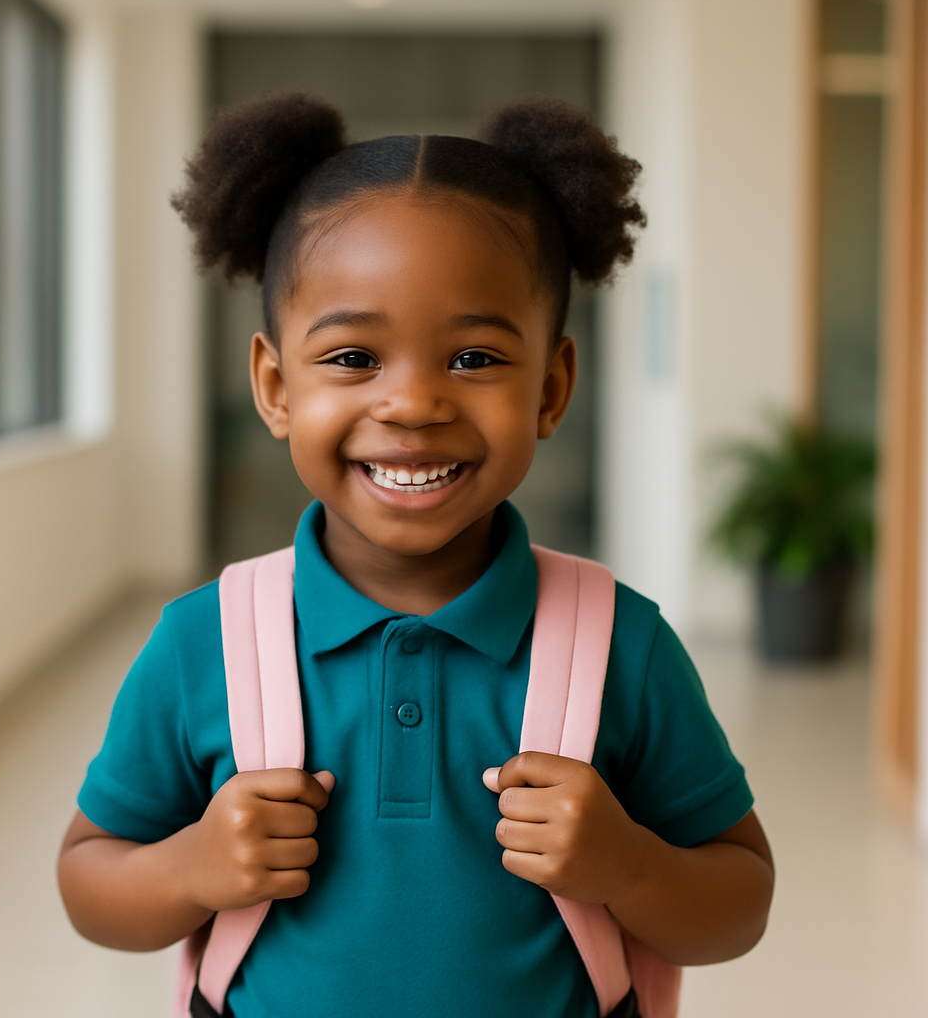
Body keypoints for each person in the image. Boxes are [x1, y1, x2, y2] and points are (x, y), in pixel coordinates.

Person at [58, 92, 774, 1018]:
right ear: (276, 387)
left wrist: (628, 865)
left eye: (475, 359)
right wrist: (190, 868)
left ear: (552, 388)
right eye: (354, 357)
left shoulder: (620, 647)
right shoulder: (205, 644)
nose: (414, 404)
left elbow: (738, 906)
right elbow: (90, 882)